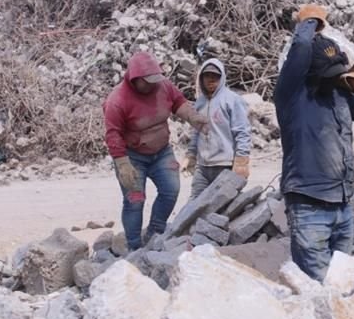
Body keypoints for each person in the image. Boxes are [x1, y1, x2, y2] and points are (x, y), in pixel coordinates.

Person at [274, 4, 354, 281]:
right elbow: (300, 46)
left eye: (337, 73)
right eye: (328, 74)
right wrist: (311, 19)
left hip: (343, 206)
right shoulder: (291, 95)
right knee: (317, 289)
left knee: (340, 284)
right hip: (309, 207)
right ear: (310, 71)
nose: (333, 79)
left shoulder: (340, 96)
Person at [103, 52, 209, 250]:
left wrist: (193, 117)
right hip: (132, 156)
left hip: (161, 152)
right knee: (134, 200)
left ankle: (155, 232)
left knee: (171, 190)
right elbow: (113, 134)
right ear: (135, 79)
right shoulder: (117, 100)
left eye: (155, 79)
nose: (153, 84)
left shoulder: (163, 86)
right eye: (148, 81)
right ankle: (134, 247)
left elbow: (178, 102)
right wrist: (122, 163)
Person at [185, 58, 252, 199]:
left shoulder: (232, 100)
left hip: (225, 166)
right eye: (207, 76)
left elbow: (242, 132)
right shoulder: (200, 102)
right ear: (201, 78)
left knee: (225, 208)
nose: (211, 79)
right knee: (193, 207)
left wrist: (241, 160)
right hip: (203, 167)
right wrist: (191, 155)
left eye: (215, 76)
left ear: (222, 78)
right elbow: (196, 132)